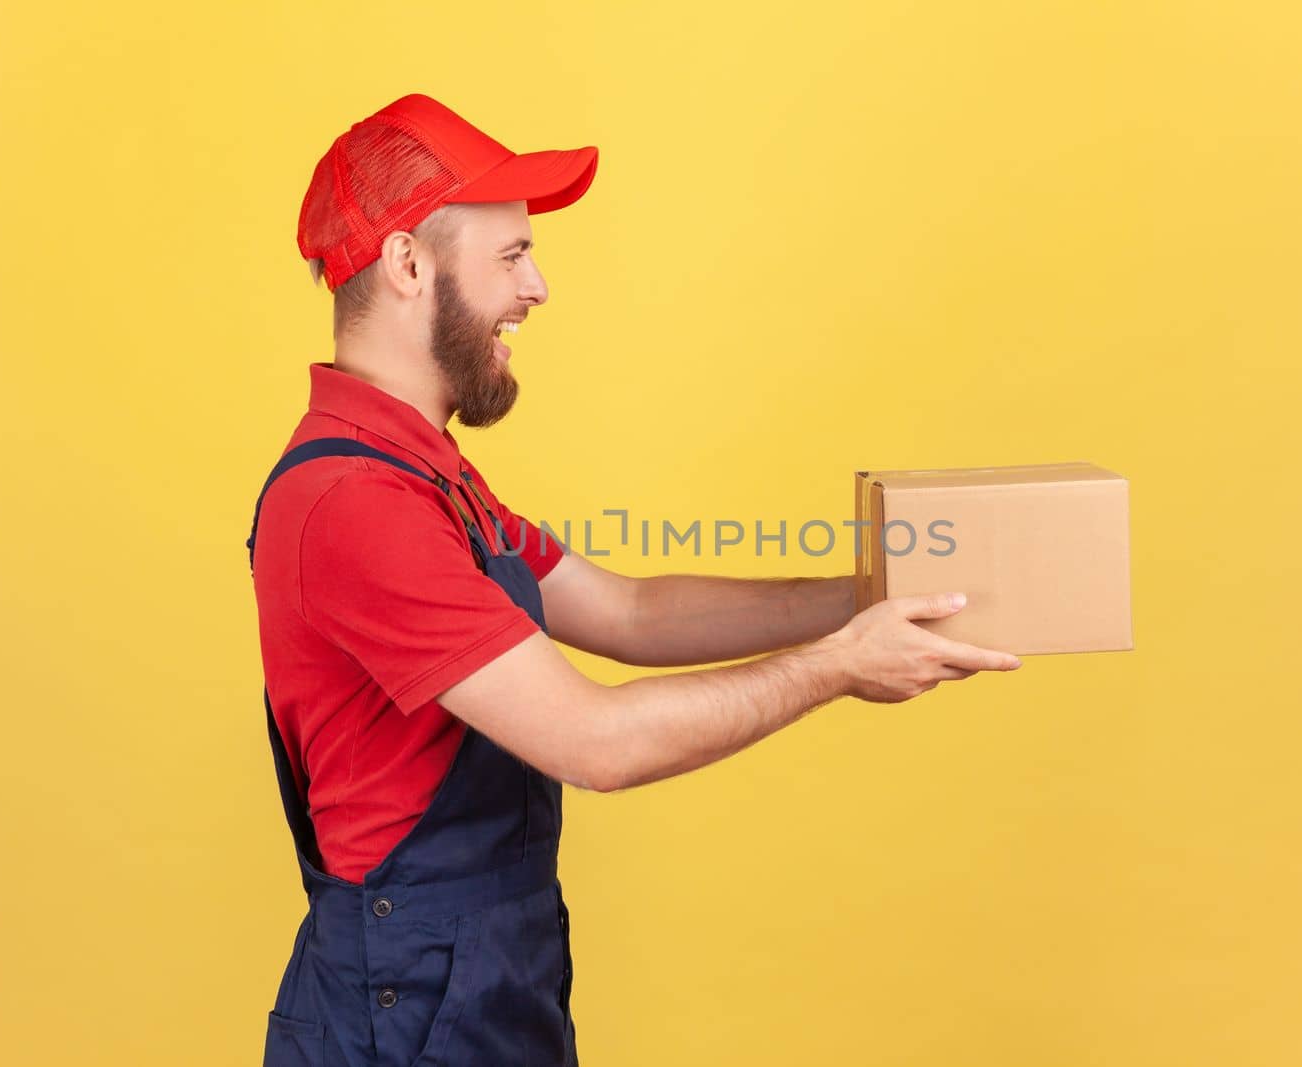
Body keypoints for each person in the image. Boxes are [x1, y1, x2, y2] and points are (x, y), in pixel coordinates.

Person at [247, 92, 1022, 1067]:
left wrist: (868, 595)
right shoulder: (355, 501)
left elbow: (625, 607)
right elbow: (594, 741)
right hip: (405, 1008)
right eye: (511, 256)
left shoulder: (425, 471)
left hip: (475, 979)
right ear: (408, 264)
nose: (538, 289)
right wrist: (838, 666)